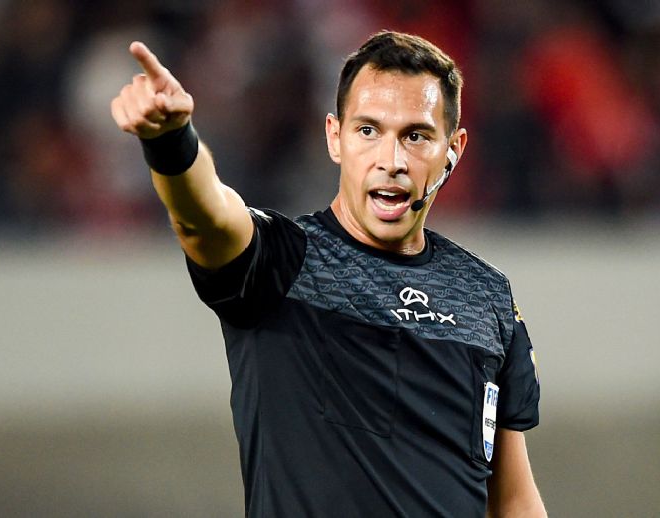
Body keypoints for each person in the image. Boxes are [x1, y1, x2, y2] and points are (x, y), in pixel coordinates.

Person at [110, 31, 545, 517]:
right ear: (334, 137)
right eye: (368, 131)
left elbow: (512, 499)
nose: (392, 161)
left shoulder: (485, 296)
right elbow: (206, 217)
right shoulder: (281, 262)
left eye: (416, 136)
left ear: (454, 149)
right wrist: (171, 142)